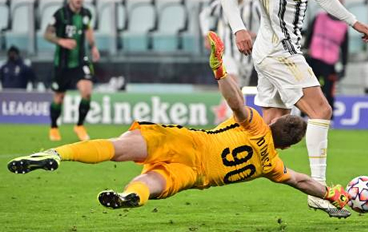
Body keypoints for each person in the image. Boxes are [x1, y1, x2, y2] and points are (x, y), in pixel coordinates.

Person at [7, 32, 350, 217]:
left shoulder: (257, 125)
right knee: (151, 181)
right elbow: (302, 180)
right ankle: (130, 195)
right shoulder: (271, 165)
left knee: (119, 147)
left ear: (274, 123)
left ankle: (58, 153)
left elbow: (236, 102)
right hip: (197, 177)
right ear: (287, 146)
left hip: (187, 143)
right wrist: (334, 194)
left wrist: (220, 70)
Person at [220, 0, 368, 217]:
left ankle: (214, 156)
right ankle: (319, 192)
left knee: (271, 128)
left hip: (277, 52)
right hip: (280, 52)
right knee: (322, 111)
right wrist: (238, 29)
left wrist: (353, 21)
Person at [44, 0, 100, 141]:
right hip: (62, 63)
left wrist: (93, 46)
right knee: (59, 97)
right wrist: (61, 41)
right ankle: (54, 127)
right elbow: (47, 34)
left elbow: (88, 29)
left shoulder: (87, 13)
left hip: (80, 60)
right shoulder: (60, 14)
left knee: (87, 91)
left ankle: (80, 125)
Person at [199, 0, 262, 86]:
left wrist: (256, 33)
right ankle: (229, 103)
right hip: (227, 50)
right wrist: (206, 36)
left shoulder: (253, 5)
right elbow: (204, 15)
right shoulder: (222, 4)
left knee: (240, 87)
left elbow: (267, 21)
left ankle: (233, 103)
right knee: (231, 80)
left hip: (246, 54)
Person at [304, 0, 349, 111]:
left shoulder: (343, 26)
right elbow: (309, 35)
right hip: (313, 58)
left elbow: (344, 48)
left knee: (329, 91)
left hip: (329, 63)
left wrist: (344, 66)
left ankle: (330, 118)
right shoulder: (319, 17)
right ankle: (305, 115)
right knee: (310, 89)